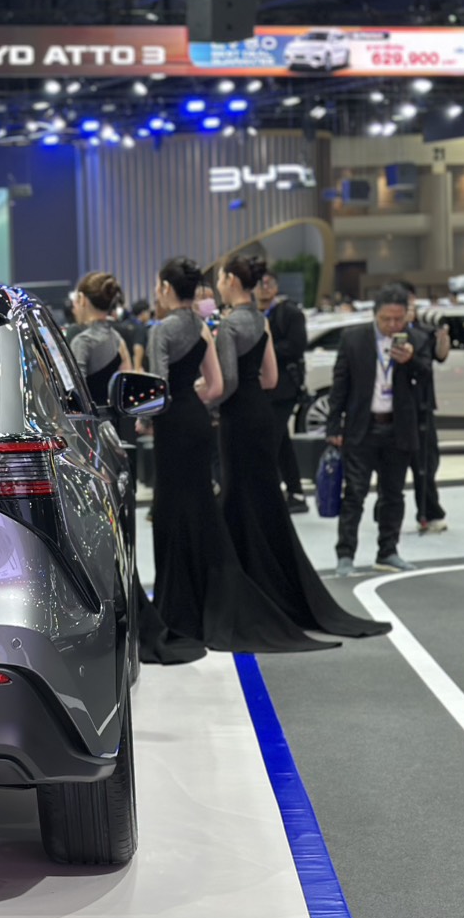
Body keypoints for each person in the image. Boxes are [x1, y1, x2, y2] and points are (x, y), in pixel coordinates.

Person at [147, 256, 332, 655]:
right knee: (252, 500)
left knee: (188, 506)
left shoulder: (195, 328)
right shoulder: (243, 322)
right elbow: (269, 379)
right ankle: (263, 579)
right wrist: (203, 400)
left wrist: (169, 408)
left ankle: (186, 597)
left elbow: (181, 389)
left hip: (199, 421)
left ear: (165, 288)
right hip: (254, 414)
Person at [216, 255, 390, 638]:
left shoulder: (229, 325)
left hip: (237, 418)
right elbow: (270, 378)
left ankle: (245, 583)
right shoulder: (260, 321)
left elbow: (226, 383)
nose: (218, 284)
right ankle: (275, 580)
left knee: (238, 497)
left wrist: (202, 396)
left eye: (221, 278)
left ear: (231, 280)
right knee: (264, 499)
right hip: (261, 412)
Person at [326, 284, 433, 576]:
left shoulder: (416, 340)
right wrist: (334, 425)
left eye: (399, 319)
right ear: (375, 315)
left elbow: (427, 379)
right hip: (362, 428)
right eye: (387, 319)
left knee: (393, 495)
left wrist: (410, 360)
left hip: (399, 429)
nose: (393, 325)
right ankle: (345, 554)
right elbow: (340, 385)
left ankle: (388, 551)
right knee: (354, 494)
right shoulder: (353, 339)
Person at [255, 268, 310, 513]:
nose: (263, 288)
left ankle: (271, 496)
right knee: (281, 441)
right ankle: (295, 492)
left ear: (276, 287)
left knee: (271, 440)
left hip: (285, 387)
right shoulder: (253, 314)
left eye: (268, 284)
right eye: (259, 284)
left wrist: (265, 351)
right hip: (263, 388)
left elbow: (297, 345)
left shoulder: (290, 313)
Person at [402, 285, 451, 534]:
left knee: (427, 462)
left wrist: (443, 337)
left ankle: (430, 511)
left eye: (413, 303)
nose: (411, 309)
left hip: (422, 405)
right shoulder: (389, 332)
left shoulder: (424, 331)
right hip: (398, 406)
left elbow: (440, 356)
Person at [67, 271, 132, 401]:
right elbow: (126, 388)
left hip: (92, 414)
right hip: (114, 414)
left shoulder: (82, 342)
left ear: (82, 299)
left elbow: (77, 395)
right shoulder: (118, 340)